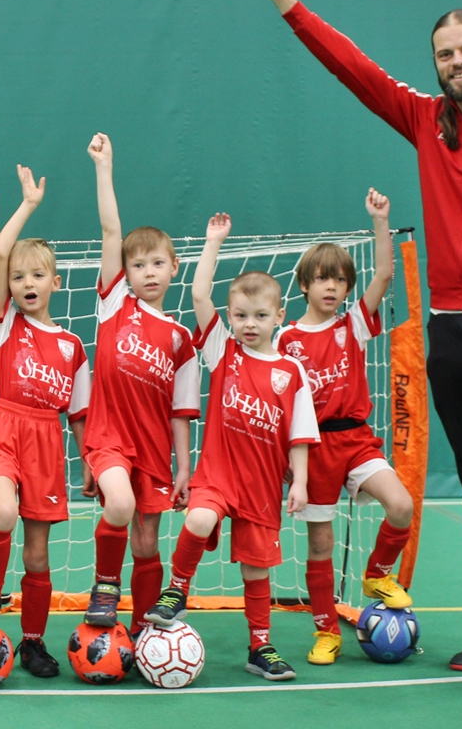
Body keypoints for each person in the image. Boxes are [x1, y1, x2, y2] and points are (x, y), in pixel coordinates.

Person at [254, 0, 462, 669]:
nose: (456, 62)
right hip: (449, 329)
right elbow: (355, 69)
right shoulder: (424, 119)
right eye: (444, 54)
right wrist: (285, 1)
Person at [145, 213, 317, 681]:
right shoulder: (224, 352)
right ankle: (176, 588)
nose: (248, 324)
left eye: (260, 315)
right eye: (239, 315)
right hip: (218, 475)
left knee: (257, 573)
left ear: (280, 316)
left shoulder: (292, 373)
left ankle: (260, 647)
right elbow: (199, 294)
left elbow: (299, 434)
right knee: (199, 518)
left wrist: (299, 482)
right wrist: (213, 242)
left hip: (262, 486)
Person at [275, 189, 415, 665]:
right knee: (321, 543)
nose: (331, 287)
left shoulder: (352, 325)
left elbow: (382, 274)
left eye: (338, 280)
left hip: (355, 439)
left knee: (400, 504)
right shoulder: (286, 338)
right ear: (304, 286)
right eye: (321, 279)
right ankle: (326, 631)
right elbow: (277, 402)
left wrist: (380, 220)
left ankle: (377, 573)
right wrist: (284, 463)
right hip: (312, 450)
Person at [0, 165, 90, 678]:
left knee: (38, 553)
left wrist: (88, 464)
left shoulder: (72, 346)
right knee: (3, 513)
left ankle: (33, 641)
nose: (26, 282)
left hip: (47, 445)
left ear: (56, 282)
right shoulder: (4, 323)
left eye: (37, 274)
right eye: (18, 277)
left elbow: (79, 414)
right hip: (4, 432)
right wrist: (20, 206)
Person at [80, 133, 201, 638]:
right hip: (108, 438)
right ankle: (105, 586)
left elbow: (180, 413)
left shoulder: (181, 341)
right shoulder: (115, 308)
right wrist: (104, 168)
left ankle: (144, 630)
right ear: (125, 273)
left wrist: (184, 467)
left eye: (158, 263)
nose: (148, 271)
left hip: (153, 450)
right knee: (121, 506)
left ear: (175, 267)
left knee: (147, 540)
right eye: (138, 264)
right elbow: (112, 231)